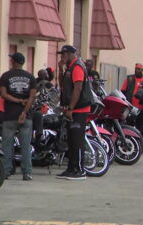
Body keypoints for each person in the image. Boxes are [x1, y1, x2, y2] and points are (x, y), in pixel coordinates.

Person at [56, 45, 93, 180]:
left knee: (77, 140)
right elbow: (63, 87)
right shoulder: (69, 68)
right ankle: (71, 168)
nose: (62, 56)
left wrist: (71, 109)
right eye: (61, 54)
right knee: (71, 141)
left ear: (71, 54)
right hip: (72, 109)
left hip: (78, 109)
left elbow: (77, 89)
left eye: (64, 54)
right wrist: (61, 70)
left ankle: (79, 170)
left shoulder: (77, 67)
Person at [0, 52, 37, 181]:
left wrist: (17, 101)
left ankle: (6, 171)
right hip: (26, 117)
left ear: (13, 62)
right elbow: (31, 97)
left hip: (9, 115)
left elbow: (3, 94)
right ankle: (27, 173)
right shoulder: (31, 77)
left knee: (7, 145)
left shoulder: (5, 76)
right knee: (26, 146)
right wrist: (24, 112)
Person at [121, 63, 143, 132]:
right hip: (130, 106)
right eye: (136, 69)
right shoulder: (129, 79)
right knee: (129, 124)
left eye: (139, 69)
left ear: (142, 70)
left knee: (140, 126)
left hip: (142, 108)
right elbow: (123, 91)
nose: (137, 71)